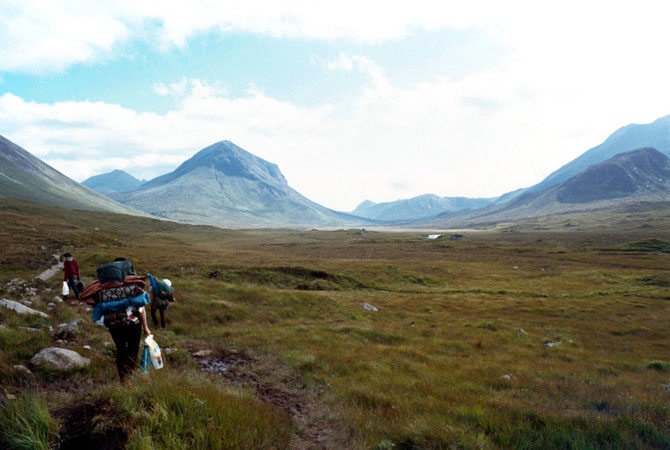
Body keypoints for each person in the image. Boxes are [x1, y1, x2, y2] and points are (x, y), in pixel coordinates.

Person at [79, 257, 152, 381]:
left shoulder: (103, 289)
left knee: (120, 349)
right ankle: (129, 377)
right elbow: (141, 307)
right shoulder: (132, 286)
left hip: (113, 324)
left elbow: (93, 302)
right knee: (133, 349)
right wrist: (146, 328)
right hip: (133, 323)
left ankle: (122, 378)